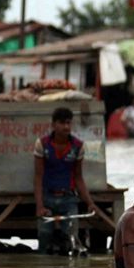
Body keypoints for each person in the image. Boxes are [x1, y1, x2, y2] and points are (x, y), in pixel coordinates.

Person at [33, 106, 103, 254]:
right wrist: (39, 206)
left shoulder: (78, 146)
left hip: (69, 199)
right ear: (53, 125)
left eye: (69, 123)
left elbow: (78, 178)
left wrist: (90, 204)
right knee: (44, 237)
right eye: (62, 123)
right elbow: (38, 177)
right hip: (47, 197)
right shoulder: (42, 144)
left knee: (72, 237)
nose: (66, 127)